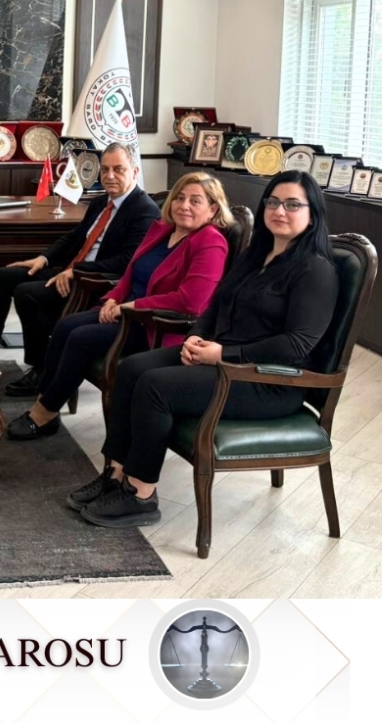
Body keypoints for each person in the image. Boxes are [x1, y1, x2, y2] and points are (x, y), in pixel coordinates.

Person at [68, 170, 339, 528]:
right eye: (273, 202)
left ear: (312, 214)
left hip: (268, 381)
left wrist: (222, 354)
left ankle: (141, 494)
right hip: (223, 358)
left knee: (155, 386)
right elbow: (214, 304)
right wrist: (195, 337)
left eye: (292, 205)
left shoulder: (316, 269)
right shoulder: (257, 255)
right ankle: (115, 474)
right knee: (132, 368)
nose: (279, 211)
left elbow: (296, 344)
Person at [7, 172, 232, 440]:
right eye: (180, 198)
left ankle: (44, 412)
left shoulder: (211, 242)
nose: (184, 206)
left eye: (195, 201)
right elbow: (130, 273)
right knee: (65, 326)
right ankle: (46, 402)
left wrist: (131, 306)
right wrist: (113, 298)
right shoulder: (162, 230)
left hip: (156, 325)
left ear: (213, 209)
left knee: (81, 338)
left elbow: (190, 301)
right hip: (126, 312)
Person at [0, 142, 160, 396]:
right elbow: (75, 236)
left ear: (135, 171)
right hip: (71, 272)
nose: (110, 176)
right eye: (105, 169)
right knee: (1, 278)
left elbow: (127, 261)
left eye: (118, 169)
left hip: (95, 283)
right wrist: (44, 259)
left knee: (27, 293)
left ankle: (42, 369)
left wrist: (77, 271)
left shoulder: (145, 210)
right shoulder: (101, 202)